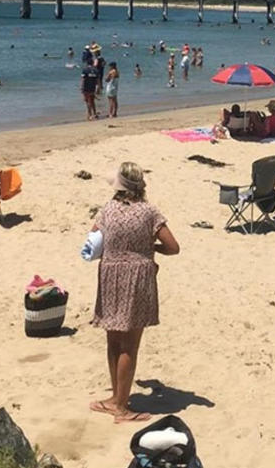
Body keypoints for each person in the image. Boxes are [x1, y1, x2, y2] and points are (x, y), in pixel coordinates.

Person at [89, 162, 180, 423]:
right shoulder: (149, 212)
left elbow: (93, 239)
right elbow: (173, 247)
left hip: (110, 274)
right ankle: (121, 407)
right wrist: (150, 249)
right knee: (130, 344)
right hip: (137, 276)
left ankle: (116, 397)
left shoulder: (107, 210)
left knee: (113, 340)